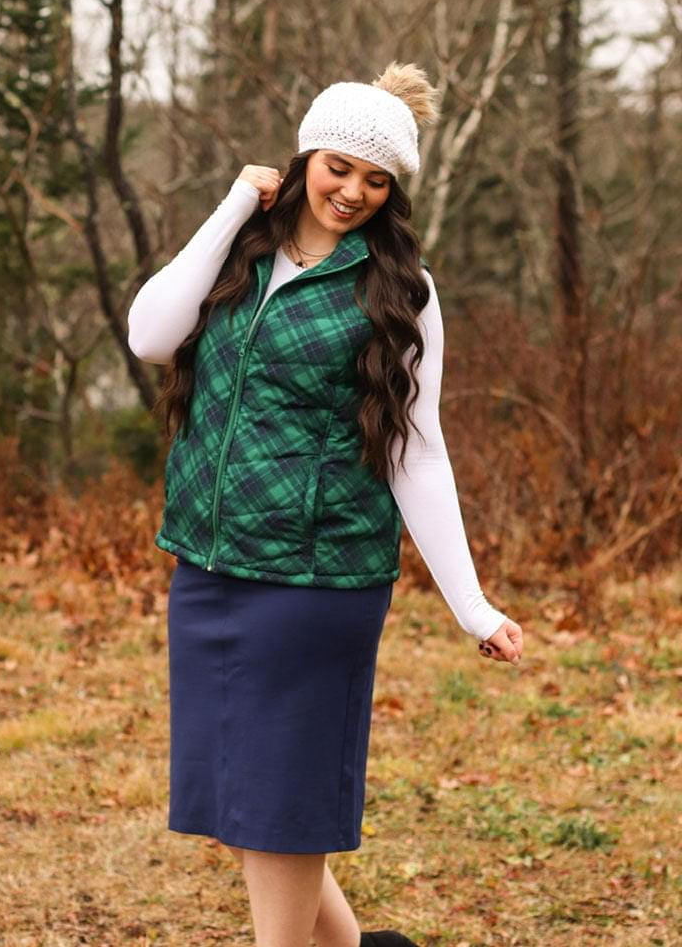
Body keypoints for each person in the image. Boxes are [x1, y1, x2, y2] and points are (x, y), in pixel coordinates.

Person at [127, 62, 524, 947]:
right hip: (211, 567)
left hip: (317, 580)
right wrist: (236, 205)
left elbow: (418, 449)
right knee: (239, 803)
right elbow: (150, 336)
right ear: (307, 157)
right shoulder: (239, 253)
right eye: (339, 168)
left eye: (376, 180)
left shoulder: (400, 291)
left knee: (282, 806)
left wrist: (471, 604)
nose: (352, 192)